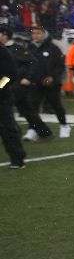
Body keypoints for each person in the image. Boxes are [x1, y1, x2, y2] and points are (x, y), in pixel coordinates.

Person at [27, 25, 70, 138]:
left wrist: (52, 77)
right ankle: (32, 128)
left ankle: (64, 125)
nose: (35, 36)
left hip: (52, 83)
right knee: (33, 106)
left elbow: (59, 66)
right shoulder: (30, 48)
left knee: (55, 105)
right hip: (35, 82)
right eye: (34, 33)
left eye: (38, 33)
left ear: (44, 34)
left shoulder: (53, 48)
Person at [0, 31, 27, 169]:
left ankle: (17, 159)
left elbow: (11, 74)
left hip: (2, 98)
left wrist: (0, 86)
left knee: (7, 129)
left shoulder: (3, 52)